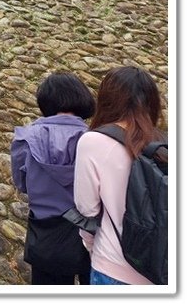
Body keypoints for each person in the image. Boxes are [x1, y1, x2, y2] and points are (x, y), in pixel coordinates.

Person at [73, 66, 166, 285]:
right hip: (163, 271)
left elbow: (86, 208)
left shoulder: (93, 142)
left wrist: (90, 246)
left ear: (107, 99)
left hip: (114, 265)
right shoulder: (166, 145)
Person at [11, 72, 95, 285]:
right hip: (91, 233)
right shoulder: (95, 139)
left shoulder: (25, 138)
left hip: (46, 234)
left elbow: (22, 184)